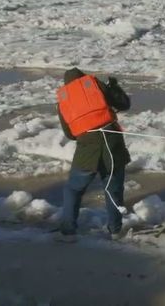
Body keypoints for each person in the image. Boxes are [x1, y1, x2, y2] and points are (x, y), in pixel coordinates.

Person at [55, 67, 131, 242]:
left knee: (73, 189)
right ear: (83, 78)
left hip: (87, 148)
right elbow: (124, 104)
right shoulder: (96, 85)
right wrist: (115, 88)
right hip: (113, 143)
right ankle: (115, 231)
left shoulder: (64, 101)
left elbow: (69, 134)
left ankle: (68, 232)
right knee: (113, 190)